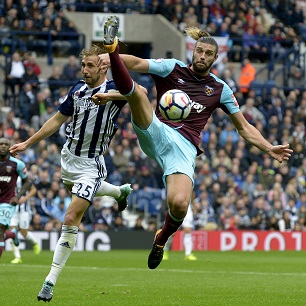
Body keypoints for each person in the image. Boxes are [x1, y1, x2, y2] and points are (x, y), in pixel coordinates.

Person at [96, 16, 293, 270]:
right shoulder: (172, 68)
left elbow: (243, 127)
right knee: (139, 93)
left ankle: (161, 240)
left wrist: (268, 147)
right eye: (199, 50)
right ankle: (112, 47)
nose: (202, 55)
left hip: (184, 147)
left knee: (179, 205)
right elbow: (138, 63)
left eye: (208, 53)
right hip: (156, 130)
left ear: (215, 58)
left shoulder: (220, 89)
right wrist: (115, 58)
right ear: (194, 51)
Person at [9, 44, 133, 302]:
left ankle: (50, 281)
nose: (85, 70)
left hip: (91, 165)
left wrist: (109, 98)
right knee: (80, 195)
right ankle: (119, 192)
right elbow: (56, 119)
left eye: (90, 66)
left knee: (71, 216)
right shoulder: (77, 89)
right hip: (68, 160)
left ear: (102, 66)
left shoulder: (113, 89)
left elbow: (139, 93)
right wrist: (27, 143)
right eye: (83, 65)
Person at [0, 138, 31, 260]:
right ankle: (12, 234)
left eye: (5, 144)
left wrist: (17, 197)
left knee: (0, 230)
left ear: (9, 147)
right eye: (0, 144)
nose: (3, 146)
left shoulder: (17, 164)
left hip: (7, 202)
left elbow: (27, 182)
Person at [9, 182, 41, 264]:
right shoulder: (10, 176)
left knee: (23, 232)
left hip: (25, 210)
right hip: (13, 209)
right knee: (12, 232)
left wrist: (25, 198)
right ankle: (17, 257)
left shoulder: (23, 177)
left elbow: (34, 190)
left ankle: (34, 242)